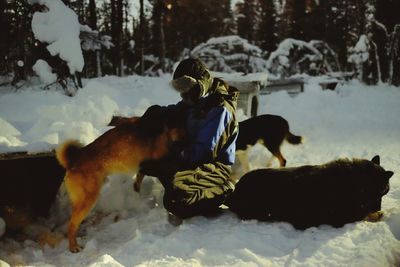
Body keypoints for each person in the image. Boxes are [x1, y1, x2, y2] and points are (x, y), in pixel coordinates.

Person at [140, 58, 239, 220]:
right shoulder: (198, 100)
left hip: (214, 166)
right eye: (179, 87)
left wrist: (171, 153)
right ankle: (180, 185)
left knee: (176, 203)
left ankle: (223, 190)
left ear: (202, 81)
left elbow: (204, 151)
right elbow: (176, 111)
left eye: (186, 85)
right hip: (191, 156)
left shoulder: (220, 108)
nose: (184, 92)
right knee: (148, 164)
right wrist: (156, 113)